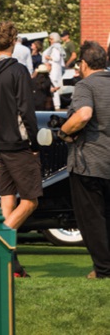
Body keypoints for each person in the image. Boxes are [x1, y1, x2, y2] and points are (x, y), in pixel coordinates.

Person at [56, 41, 110, 279]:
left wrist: (64, 132)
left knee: (92, 220)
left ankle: (103, 270)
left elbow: (84, 114)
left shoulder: (85, 85)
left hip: (89, 162)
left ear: (84, 64)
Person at [0, 21, 40, 278]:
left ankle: (12, 266)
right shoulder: (18, 71)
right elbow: (26, 111)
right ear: (14, 41)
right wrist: (34, 143)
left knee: (7, 201)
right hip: (17, 144)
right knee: (31, 200)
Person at [43, 31, 66, 110]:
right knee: (54, 86)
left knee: (53, 86)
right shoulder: (57, 47)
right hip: (55, 69)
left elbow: (56, 58)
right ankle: (55, 103)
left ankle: (56, 104)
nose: (50, 40)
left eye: (51, 39)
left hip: (54, 70)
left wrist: (48, 58)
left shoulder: (56, 48)